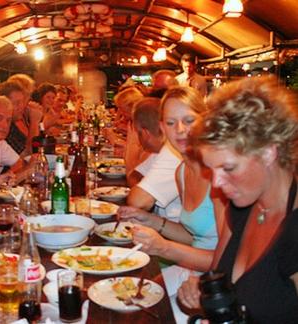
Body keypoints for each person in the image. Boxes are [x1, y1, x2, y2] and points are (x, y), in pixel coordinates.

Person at [178, 77, 298, 323]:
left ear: (268, 152)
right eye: (212, 170)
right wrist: (204, 293)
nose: (217, 184)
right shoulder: (241, 206)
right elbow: (223, 282)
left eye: (229, 168)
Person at [119, 87, 226, 322]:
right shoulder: (182, 171)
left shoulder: (220, 174)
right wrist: (154, 221)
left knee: (141, 313)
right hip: (191, 271)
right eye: (170, 122)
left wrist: (164, 248)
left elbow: (226, 258)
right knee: (125, 301)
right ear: (162, 127)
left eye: (189, 120)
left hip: (216, 283)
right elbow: (194, 236)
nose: (180, 130)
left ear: (205, 119)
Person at [127, 96, 183, 223]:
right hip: (164, 226)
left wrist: (131, 147)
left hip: (176, 232)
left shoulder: (172, 152)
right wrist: (146, 188)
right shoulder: (161, 150)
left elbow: (138, 202)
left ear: (145, 134)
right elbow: (133, 175)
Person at [0, 81, 42, 156]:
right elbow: (28, 155)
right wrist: (35, 122)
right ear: (4, 103)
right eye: (17, 103)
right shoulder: (2, 128)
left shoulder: (12, 124)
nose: (22, 106)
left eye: (23, 102)